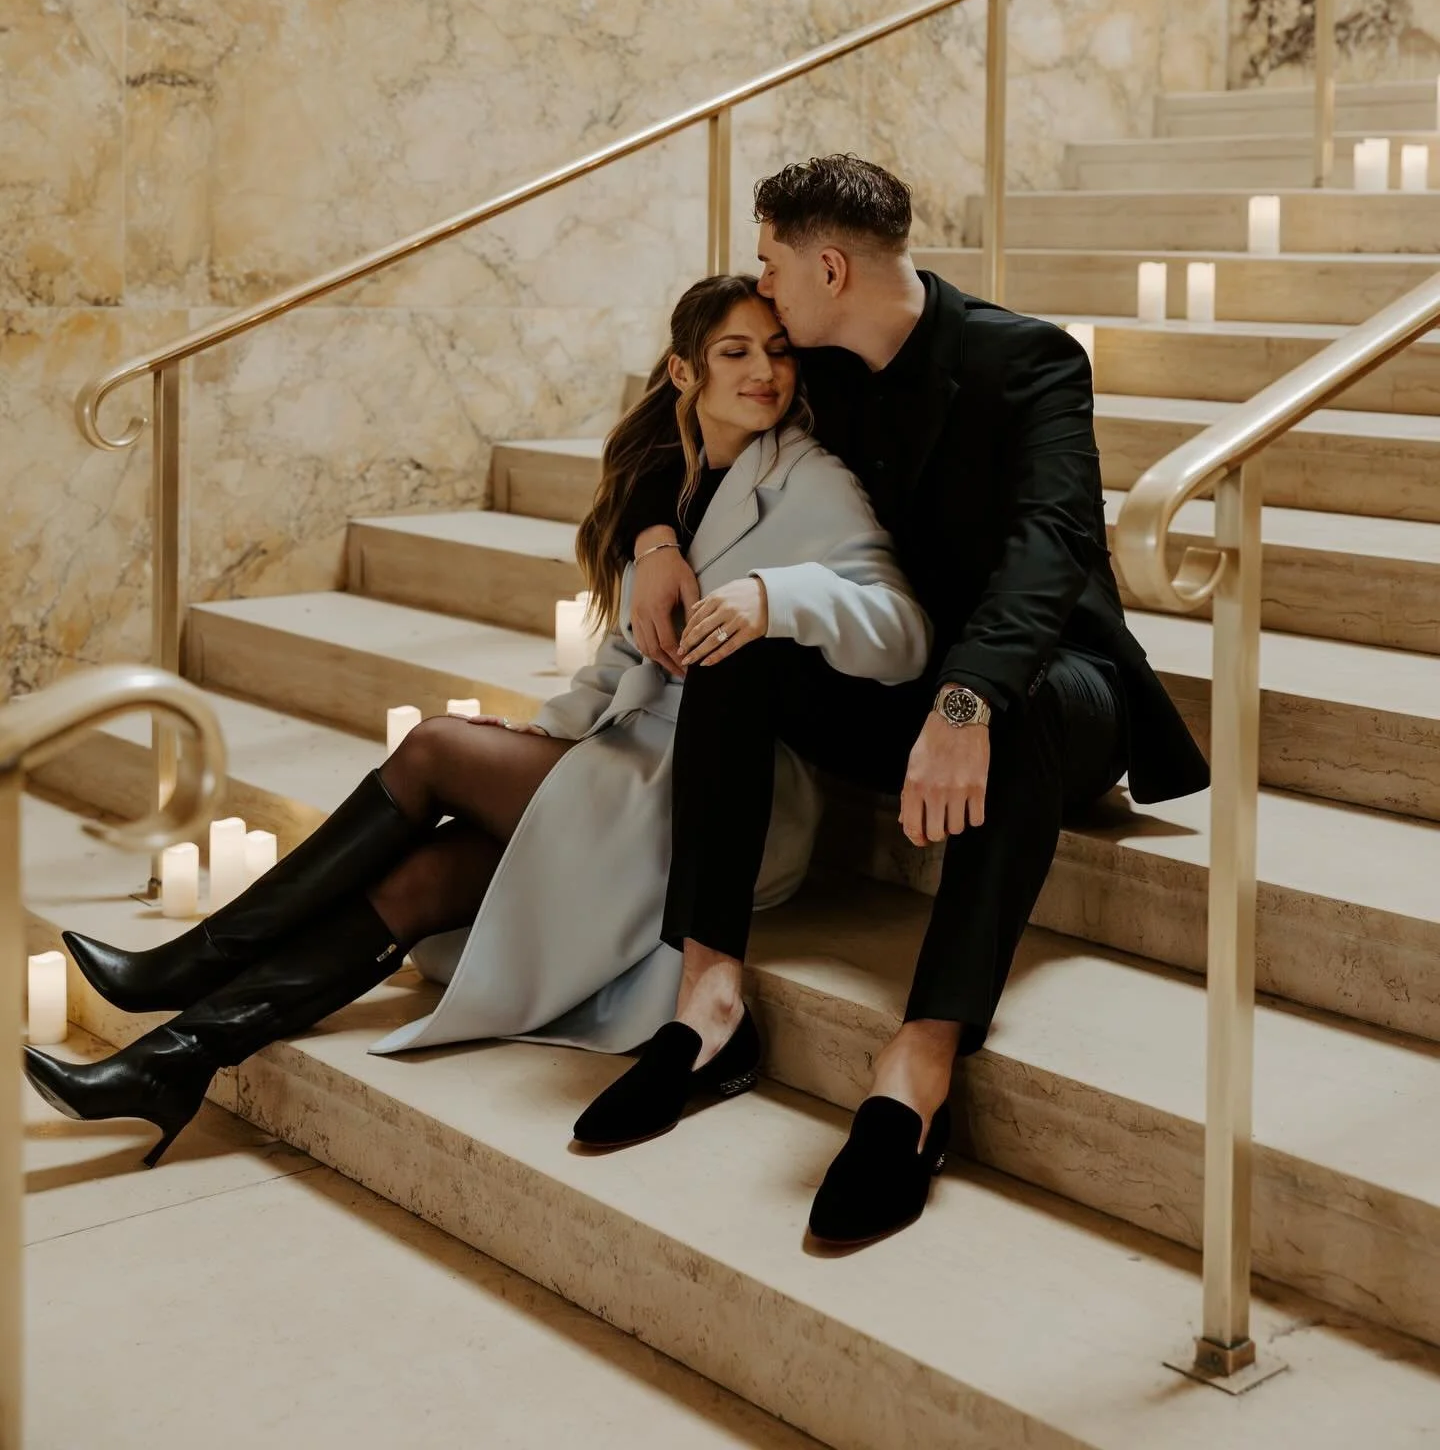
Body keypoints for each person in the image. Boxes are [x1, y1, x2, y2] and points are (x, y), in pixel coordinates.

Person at [26, 275, 930, 1170]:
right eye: (736, 352)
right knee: (426, 880)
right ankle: (176, 1061)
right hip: (631, 761)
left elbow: (902, 632)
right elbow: (626, 656)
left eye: (778, 351)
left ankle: (188, 965)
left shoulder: (811, 482)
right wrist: (558, 730)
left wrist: (784, 598)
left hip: (730, 798)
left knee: (431, 749)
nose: (766, 372)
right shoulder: (679, 480)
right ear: (684, 371)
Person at [574, 153, 1209, 1248]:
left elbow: (1051, 549)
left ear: (828, 266)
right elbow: (672, 404)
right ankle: (711, 1000)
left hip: (1056, 691)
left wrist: (964, 704)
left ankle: (920, 1061)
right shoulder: (821, 362)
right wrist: (656, 537)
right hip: (902, 679)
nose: (761, 289)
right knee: (738, 637)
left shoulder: (1029, 360)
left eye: (772, 266)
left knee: (1024, 702)